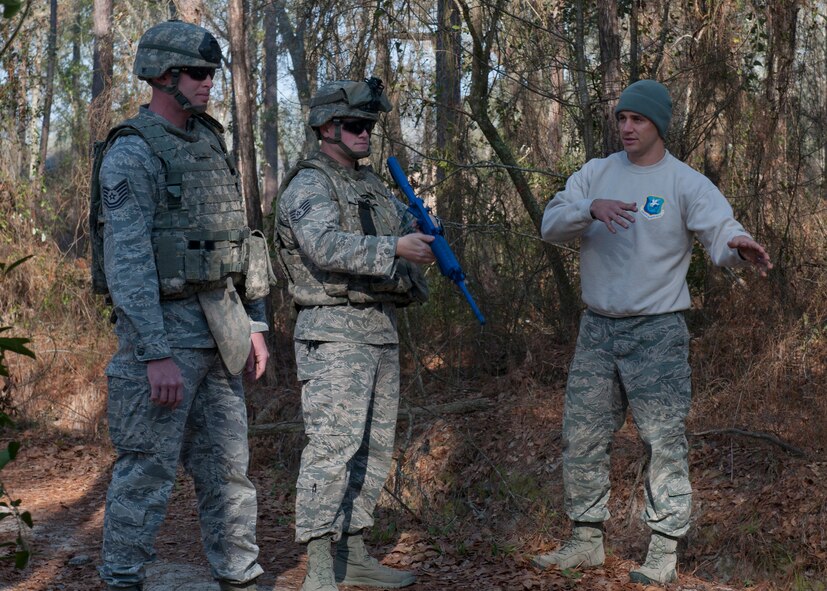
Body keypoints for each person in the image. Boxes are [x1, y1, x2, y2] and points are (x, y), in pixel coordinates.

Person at [535, 79, 772, 584]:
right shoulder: (596, 173)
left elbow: (718, 229)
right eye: (621, 118)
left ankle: (663, 549)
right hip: (597, 330)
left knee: (662, 441)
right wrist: (588, 209)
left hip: (658, 332)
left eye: (637, 119)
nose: (626, 127)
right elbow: (551, 224)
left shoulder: (684, 182)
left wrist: (739, 246)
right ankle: (585, 540)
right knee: (582, 436)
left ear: (658, 124)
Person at [92, 20, 274, 591]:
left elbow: (239, 242)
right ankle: (121, 580)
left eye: (211, 74)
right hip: (165, 337)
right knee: (146, 472)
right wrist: (153, 352)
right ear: (163, 77)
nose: (208, 84)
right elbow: (127, 261)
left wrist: (256, 324)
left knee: (229, 474)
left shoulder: (210, 141)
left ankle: (240, 577)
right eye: (197, 74)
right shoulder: (133, 151)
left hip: (222, 331)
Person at [274, 77, 434, 591]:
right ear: (326, 128)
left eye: (369, 125)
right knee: (332, 447)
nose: (366, 133)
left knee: (373, 447)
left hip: (378, 328)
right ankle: (320, 570)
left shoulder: (371, 184)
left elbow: (399, 231)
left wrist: (420, 237)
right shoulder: (309, 183)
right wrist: (394, 248)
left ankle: (355, 554)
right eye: (355, 125)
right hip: (333, 332)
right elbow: (322, 246)